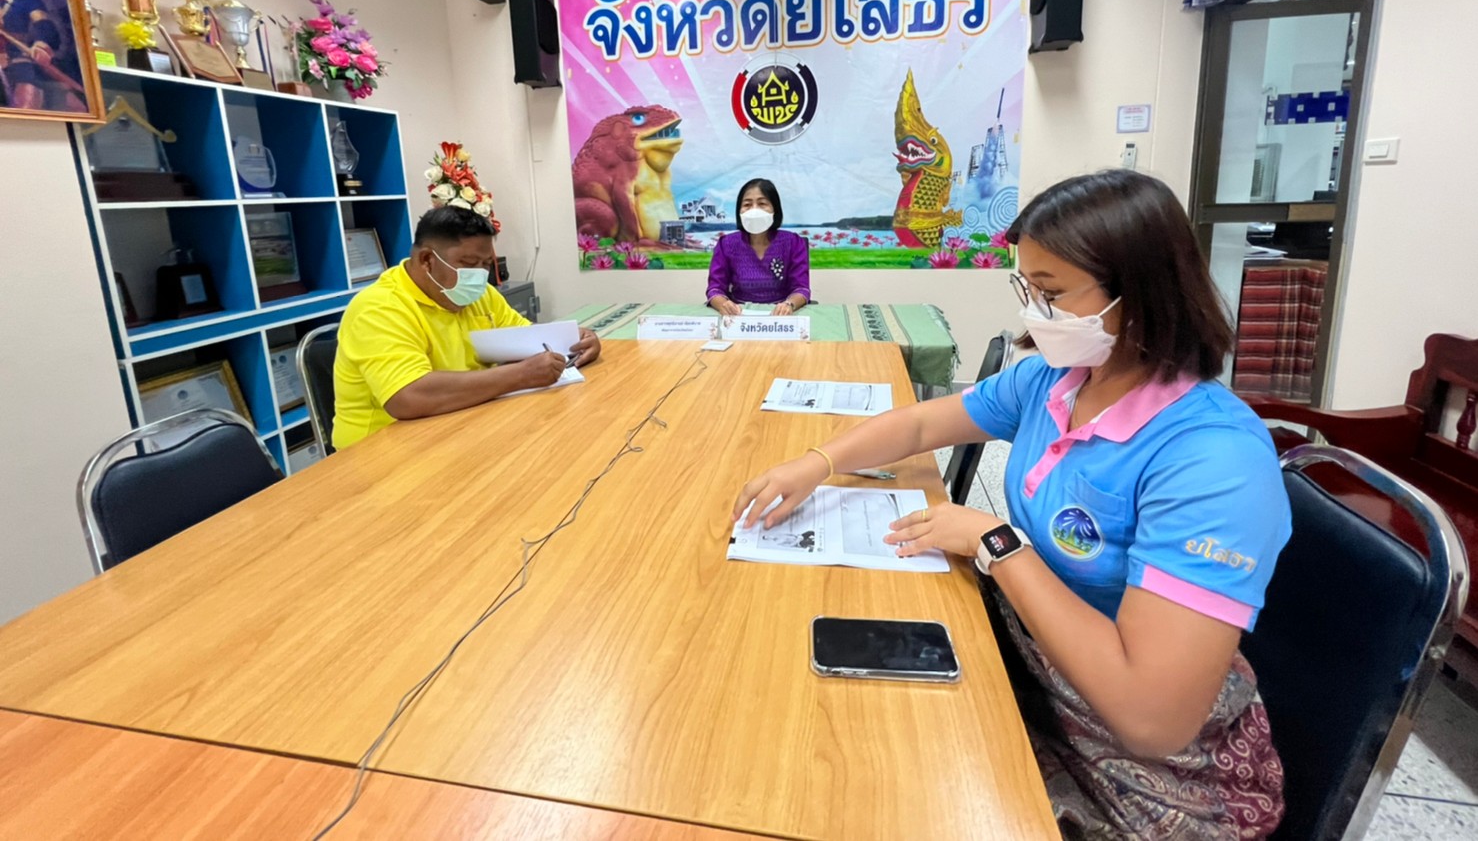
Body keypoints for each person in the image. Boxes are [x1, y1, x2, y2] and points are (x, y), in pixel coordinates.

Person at [732, 170, 1292, 839]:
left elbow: (1153, 718)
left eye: (1052, 293)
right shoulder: (1058, 380)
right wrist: (815, 463)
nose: (1036, 312)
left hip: (1139, 761)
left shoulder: (1213, 461)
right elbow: (918, 426)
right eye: (1027, 287)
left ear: (1138, 293)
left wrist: (998, 543)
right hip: (1031, 662)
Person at [334, 206, 600, 449]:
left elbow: (531, 341)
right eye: (470, 264)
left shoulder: (480, 294)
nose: (480, 276)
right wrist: (520, 375)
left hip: (461, 427)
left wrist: (578, 341)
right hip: (383, 452)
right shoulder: (378, 308)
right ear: (427, 259)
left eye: (486, 264)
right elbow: (408, 396)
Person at [706, 178, 811, 316]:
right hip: (739, 315)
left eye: (762, 204)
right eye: (747, 204)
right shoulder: (726, 244)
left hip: (780, 317)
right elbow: (715, 289)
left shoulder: (793, 242)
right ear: (739, 211)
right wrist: (724, 305)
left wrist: (788, 305)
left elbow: (801, 288)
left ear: (775, 209)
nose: (754, 210)